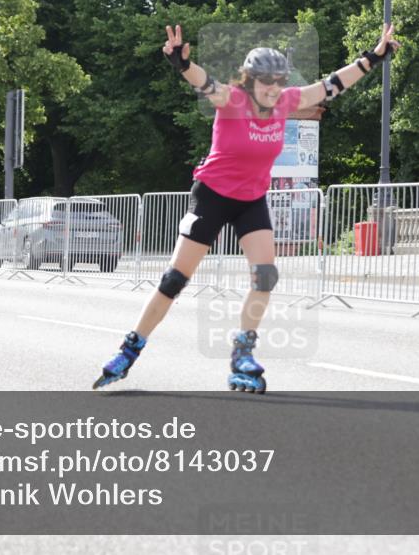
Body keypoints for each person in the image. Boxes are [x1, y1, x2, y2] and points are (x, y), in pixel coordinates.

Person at [93, 23, 401, 392]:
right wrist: (181, 63)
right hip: (212, 195)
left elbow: (332, 84)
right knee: (174, 280)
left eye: (278, 81)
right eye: (265, 82)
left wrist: (374, 56)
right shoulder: (233, 100)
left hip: (250, 200)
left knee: (266, 276)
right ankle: (130, 349)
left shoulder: (286, 102)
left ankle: (242, 351)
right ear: (249, 81)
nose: (273, 88)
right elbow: (204, 82)